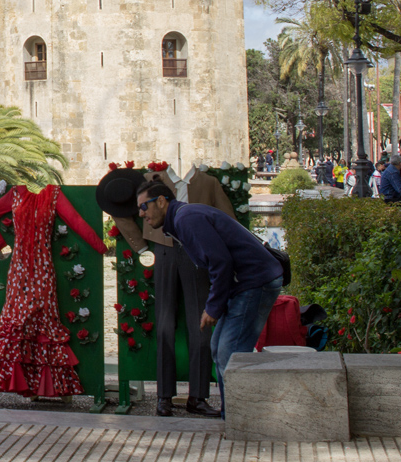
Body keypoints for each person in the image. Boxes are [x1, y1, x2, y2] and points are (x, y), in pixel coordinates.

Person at [136, 181, 282, 418]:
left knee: (229, 354)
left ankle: (238, 419)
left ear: (161, 201)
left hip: (256, 283)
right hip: (246, 284)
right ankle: (233, 415)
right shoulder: (182, 219)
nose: (141, 214)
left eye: (144, 207)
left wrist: (213, 308)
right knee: (218, 348)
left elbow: (220, 263)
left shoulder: (186, 219)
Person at [104, 166, 231, 417]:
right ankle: (164, 396)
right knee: (164, 323)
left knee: (201, 324)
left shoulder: (208, 182)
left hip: (198, 252)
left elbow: (227, 217)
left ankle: (198, 395)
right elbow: (117, 207)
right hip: (164, 250)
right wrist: (140, 247)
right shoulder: (153, 183)